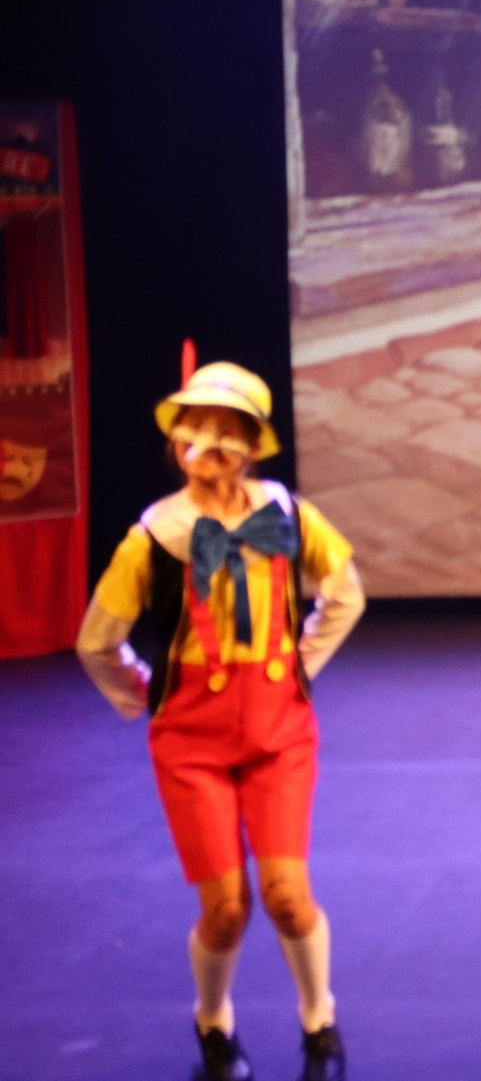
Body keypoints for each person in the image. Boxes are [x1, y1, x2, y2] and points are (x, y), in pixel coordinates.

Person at [77, 363, 365, 1081]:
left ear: (252, 446)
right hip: (191, 741)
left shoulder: (288, 515)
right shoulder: (156, 535)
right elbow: (97, 639)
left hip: (279, 731)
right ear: (177, 441)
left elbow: (345, 594)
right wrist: (141, 691)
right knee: (227, 909)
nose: (207, 442)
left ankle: (319, 1020)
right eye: (195, 427)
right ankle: (213, 1023)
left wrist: (300, 661)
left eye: (226, 430)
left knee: (288, 898)